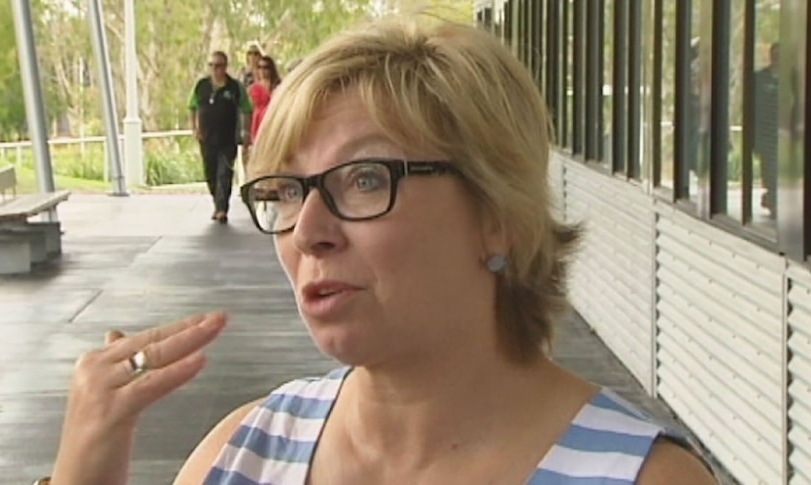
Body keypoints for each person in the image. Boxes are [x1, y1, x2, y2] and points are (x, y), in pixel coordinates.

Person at [41, 17, 718, 485]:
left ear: (497, 215)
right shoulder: (247, 452)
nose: (308, 230)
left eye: (364, 178)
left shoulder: (636, 474)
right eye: (287, 191)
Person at [188, 51, 253, 223]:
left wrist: (246, 132)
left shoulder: (234, 87)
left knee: (224, 172)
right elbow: (192, 106)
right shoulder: (201, 86)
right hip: (207, 138)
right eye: (211, 65)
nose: (214, 69)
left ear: (225, 67)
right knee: (210, 173)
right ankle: (216, 200)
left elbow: (246, 109)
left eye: (218, 65)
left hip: (227, 138)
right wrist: (194, 127)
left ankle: (222, 208)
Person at [753, 42, 779, 217]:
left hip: (786, 134)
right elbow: (752, 107)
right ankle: (773, 201)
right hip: (766, 133)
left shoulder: (794, 78)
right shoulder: (760, 78)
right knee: (770, 170)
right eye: (776, 54)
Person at [247, 55, 282, 148]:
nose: (262, 70)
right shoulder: (253, 88)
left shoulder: (279, 85)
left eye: (265, 67)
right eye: (259, 67)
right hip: (258, 121)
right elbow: (248, 109)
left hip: (273, 120)